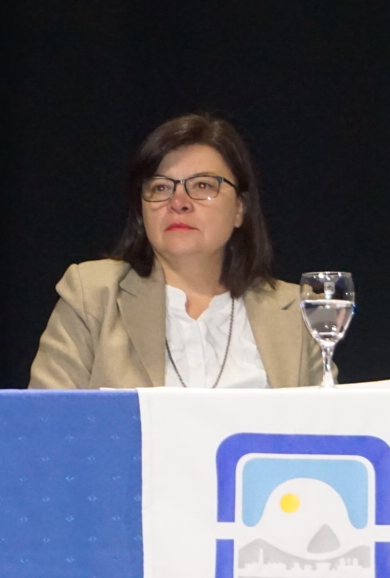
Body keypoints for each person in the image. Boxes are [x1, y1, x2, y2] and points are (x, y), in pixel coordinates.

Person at [29, 113, 323, 389]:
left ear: (239, 209)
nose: (178, 202)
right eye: (160, 188)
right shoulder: (93, 296)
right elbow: (45, 418)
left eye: (203, 185)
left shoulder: (296, 312)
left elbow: (329, 422)